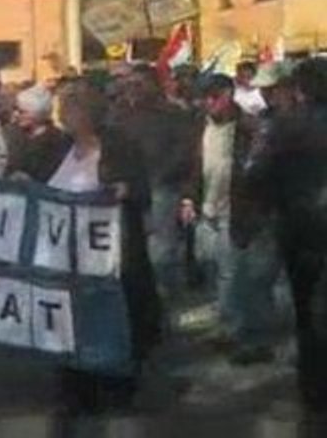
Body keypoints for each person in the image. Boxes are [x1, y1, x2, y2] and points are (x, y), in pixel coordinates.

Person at [45, 79, 161, 414]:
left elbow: (141, 191)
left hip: (113, 259)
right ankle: (76, 386)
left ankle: (118, 384)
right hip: (69, 261)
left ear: (84, 113)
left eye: (67, 109)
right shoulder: (56, 149)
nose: (61, 116)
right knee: (74, 325)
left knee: (114, 320)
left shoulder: (118, 146)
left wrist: (123, 191)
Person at [247, 57, 327, 414]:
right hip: (304, 224)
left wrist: (270, 207)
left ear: (300, 88)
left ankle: (314, 388)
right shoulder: (287, 125)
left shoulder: (284, 127)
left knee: (306, 309)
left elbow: (256, 176)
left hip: (301, 230)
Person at [179, 74, 276, 364]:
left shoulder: (249, 128)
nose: (209, 103)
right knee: (212, 269)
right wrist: (188, 198)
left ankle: (246, 335)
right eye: (204, 98)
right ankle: (230, 323)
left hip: (235, 213)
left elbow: (258, 172)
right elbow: (194, 166)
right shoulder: (200, 126)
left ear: (228, 94)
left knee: (234, 275)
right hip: (205, 211)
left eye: (214, 97)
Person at [119, 65, 199, 300]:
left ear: (154, 84)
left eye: (139, 84)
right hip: (130, 193)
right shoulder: (120, 116)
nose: (134, 90)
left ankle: (168, 299)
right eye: (130, 85)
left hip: (162, 189)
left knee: (162, 254)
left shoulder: (173, 115)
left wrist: (164, 177)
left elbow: (186, 151)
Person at [5, 83, 70, 182]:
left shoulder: (58, 140)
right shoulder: (9, 132)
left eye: (22, 112)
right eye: (15, 109)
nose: (16, 114)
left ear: (39, 114)